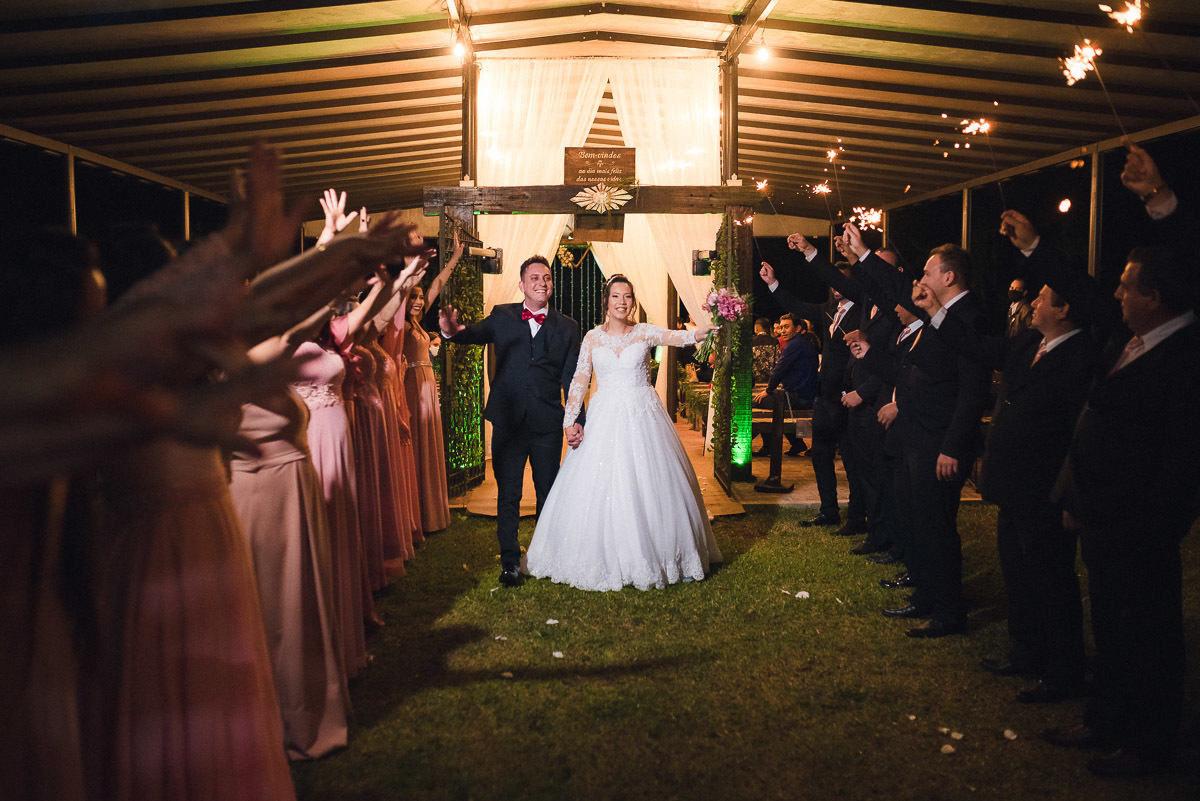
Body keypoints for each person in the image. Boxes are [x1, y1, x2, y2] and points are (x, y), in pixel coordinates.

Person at [523, 275, 722, 590]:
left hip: (644, 414)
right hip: (604, 414)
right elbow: (580, 378)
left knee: (651, 483)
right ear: (606, 300)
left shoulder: (643, 331)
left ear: (633, 300)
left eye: (627, 296)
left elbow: (675, 337)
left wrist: (700, 332)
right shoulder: (592, 337)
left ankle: (665, 554)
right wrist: (571, 419)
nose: (622, 302)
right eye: (616, 296)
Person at [843, 225, 991, 638]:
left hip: (939, 442)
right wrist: (872, 356)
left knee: (937, 528)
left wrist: (953, 446)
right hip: (915, 437)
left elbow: (971, 392)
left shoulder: (969, 318)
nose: (919, 282)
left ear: (949, 277)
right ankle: (926, 595)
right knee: (916, 522)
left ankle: (948, 610)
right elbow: (909, 376)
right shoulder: (935, 321)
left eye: (927, 274)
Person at [439, 255, 584, 588]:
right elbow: (471, 334)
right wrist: (451, 331)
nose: (541, 283)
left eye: (546, 278)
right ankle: (509, 563)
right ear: (521, 284)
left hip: (547, 423)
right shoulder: (502, 315)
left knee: (549, 492)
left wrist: (576, 419)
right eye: (534, 278)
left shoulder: (568, 326)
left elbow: (572, 378)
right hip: (507, 422)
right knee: (509, 495)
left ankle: (548, 558)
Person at [760, 257, 863, 530]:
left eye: (841, 280)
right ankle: (828, 511)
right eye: (832, 281)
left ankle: (856, 517)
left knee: (851, 460)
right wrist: (773, 283)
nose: (835, 286)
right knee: (820, 455)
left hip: (848, 396)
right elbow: (797, 306)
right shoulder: (830, 309)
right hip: (825, 396)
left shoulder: (862, 311)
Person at [400, 233, 463, 533]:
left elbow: (436, 286)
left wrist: (452, 260)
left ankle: (430, 512)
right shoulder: (397, 324)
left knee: (429, 448)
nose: (418, 301)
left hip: (427, 387)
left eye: (420, 297)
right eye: (413, 297)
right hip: (412, 387)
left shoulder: (417, 324)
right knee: (415, 450)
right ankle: (415, 515)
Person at [751, 312, 816, 457]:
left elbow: (778, 370)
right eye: (781, 327)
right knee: (774, 404)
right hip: (799, 394)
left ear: (798, 328)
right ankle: (797, 443)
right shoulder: (802, 342)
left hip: (799, 397)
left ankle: (760, 446)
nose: (782, 331)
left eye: (786, 327)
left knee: (755, 402)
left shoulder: (795, 344)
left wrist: (768, 390)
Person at [751, 316, 780, 383]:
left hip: (756, 378)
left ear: (757, 328)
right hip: (771, 378)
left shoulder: (752, 341)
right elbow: (778, 360)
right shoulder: (774, 341)